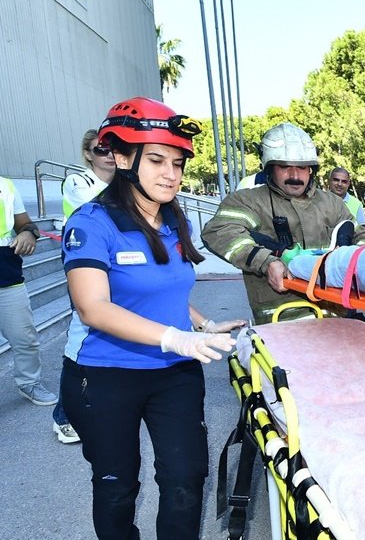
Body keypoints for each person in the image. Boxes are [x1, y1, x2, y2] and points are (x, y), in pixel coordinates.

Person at [60, 97, 245, 539]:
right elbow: (93, 307)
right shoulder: (91, 223)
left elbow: (163, 291)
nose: (172, 174)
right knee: (116, 487)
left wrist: (201, 325)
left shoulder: (171, 221)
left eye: (178, 163)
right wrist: (175, 338)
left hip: (173, 373)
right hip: (105, 375)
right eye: (158, 160)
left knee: (186, 480)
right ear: (122, 158)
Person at [202, 122, 365, 324]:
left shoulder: (332, 203)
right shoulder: (248, 201)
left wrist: (357, 261)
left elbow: (361, 236)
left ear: (311, 170)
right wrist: (267, 262)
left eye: (302, 167)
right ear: (269, 168)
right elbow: (219, 232)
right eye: (284, 167)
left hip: (336, 318)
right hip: (281, 324)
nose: (295, 176)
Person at [51, 129, 119, 444]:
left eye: (112, 148)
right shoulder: (78, 182)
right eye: (99, 149)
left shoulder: (124, 183)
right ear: (88, 154)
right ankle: (63, 415)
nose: (107, 153)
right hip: (85, 267)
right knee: (83, 338)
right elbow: (103, 212)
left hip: (119, 268)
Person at [0, 177, 58, 407]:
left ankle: (29, 383)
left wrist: (28, 234)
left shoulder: (6, 185)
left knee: (25, 338)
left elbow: (26, 224)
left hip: (7, 276)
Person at [62, 129, 116, 217]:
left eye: (114, 150)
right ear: (88, 154)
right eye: (101, 150)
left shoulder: (125, 183)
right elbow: (95, 211)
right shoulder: (76, 181)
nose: (110, 155)